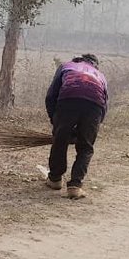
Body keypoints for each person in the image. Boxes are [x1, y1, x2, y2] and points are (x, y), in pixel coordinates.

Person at [45, 54, 108, 200]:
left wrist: (56, 122)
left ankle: (54, 179)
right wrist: (92, 127)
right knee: (86, 146)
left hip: (68, 99)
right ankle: (75, 186)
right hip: (95, 105)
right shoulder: (100, 75)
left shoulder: (66, 66)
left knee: (59, 141)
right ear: (95, 65)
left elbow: (51, 95)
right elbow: (105, 104)